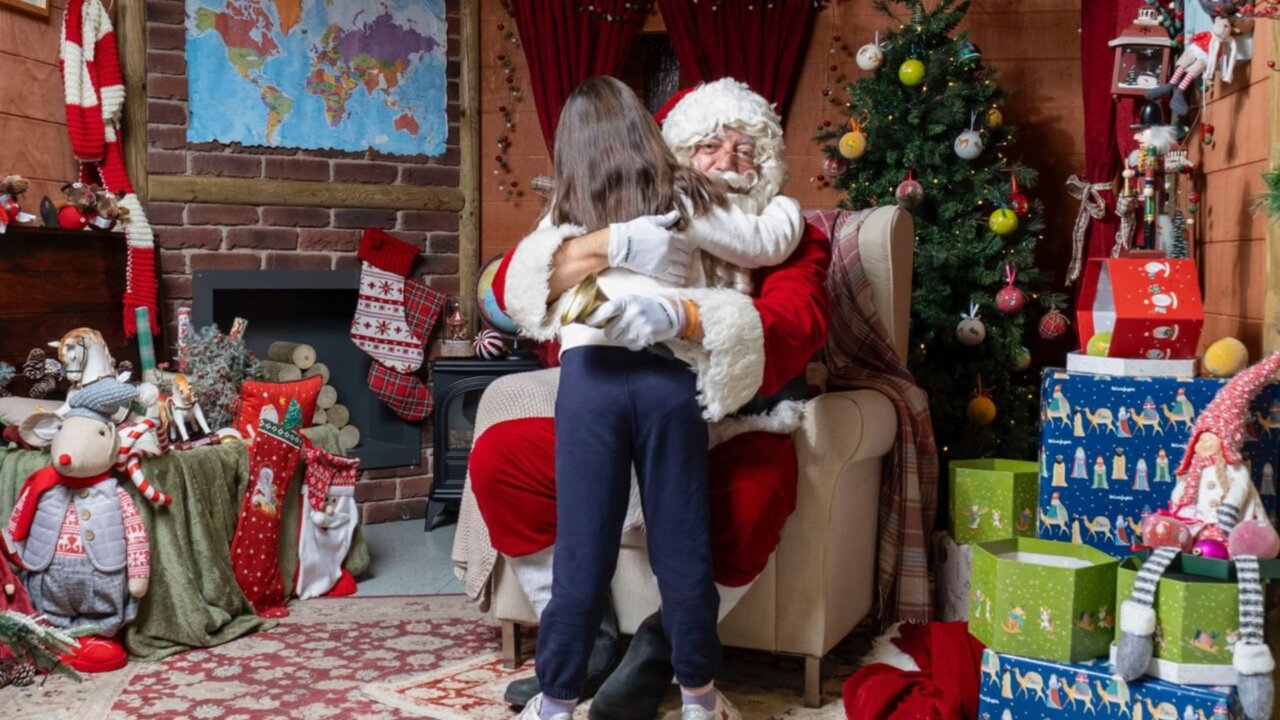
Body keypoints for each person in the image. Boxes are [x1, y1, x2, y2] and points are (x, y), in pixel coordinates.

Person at [458, 78, 831, 720]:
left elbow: (792, 315)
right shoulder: (679, 196)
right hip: (647, 386)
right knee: (591, 525)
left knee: (679, 537)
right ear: (674, 145)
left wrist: (681, 315)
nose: (728, 160)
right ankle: (624, 672)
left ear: (768, 163)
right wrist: (613, 248)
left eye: (746, 150)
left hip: (721, 407)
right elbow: (509, 293)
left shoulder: (770, 226)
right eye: (712, 144)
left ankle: (646, 666)